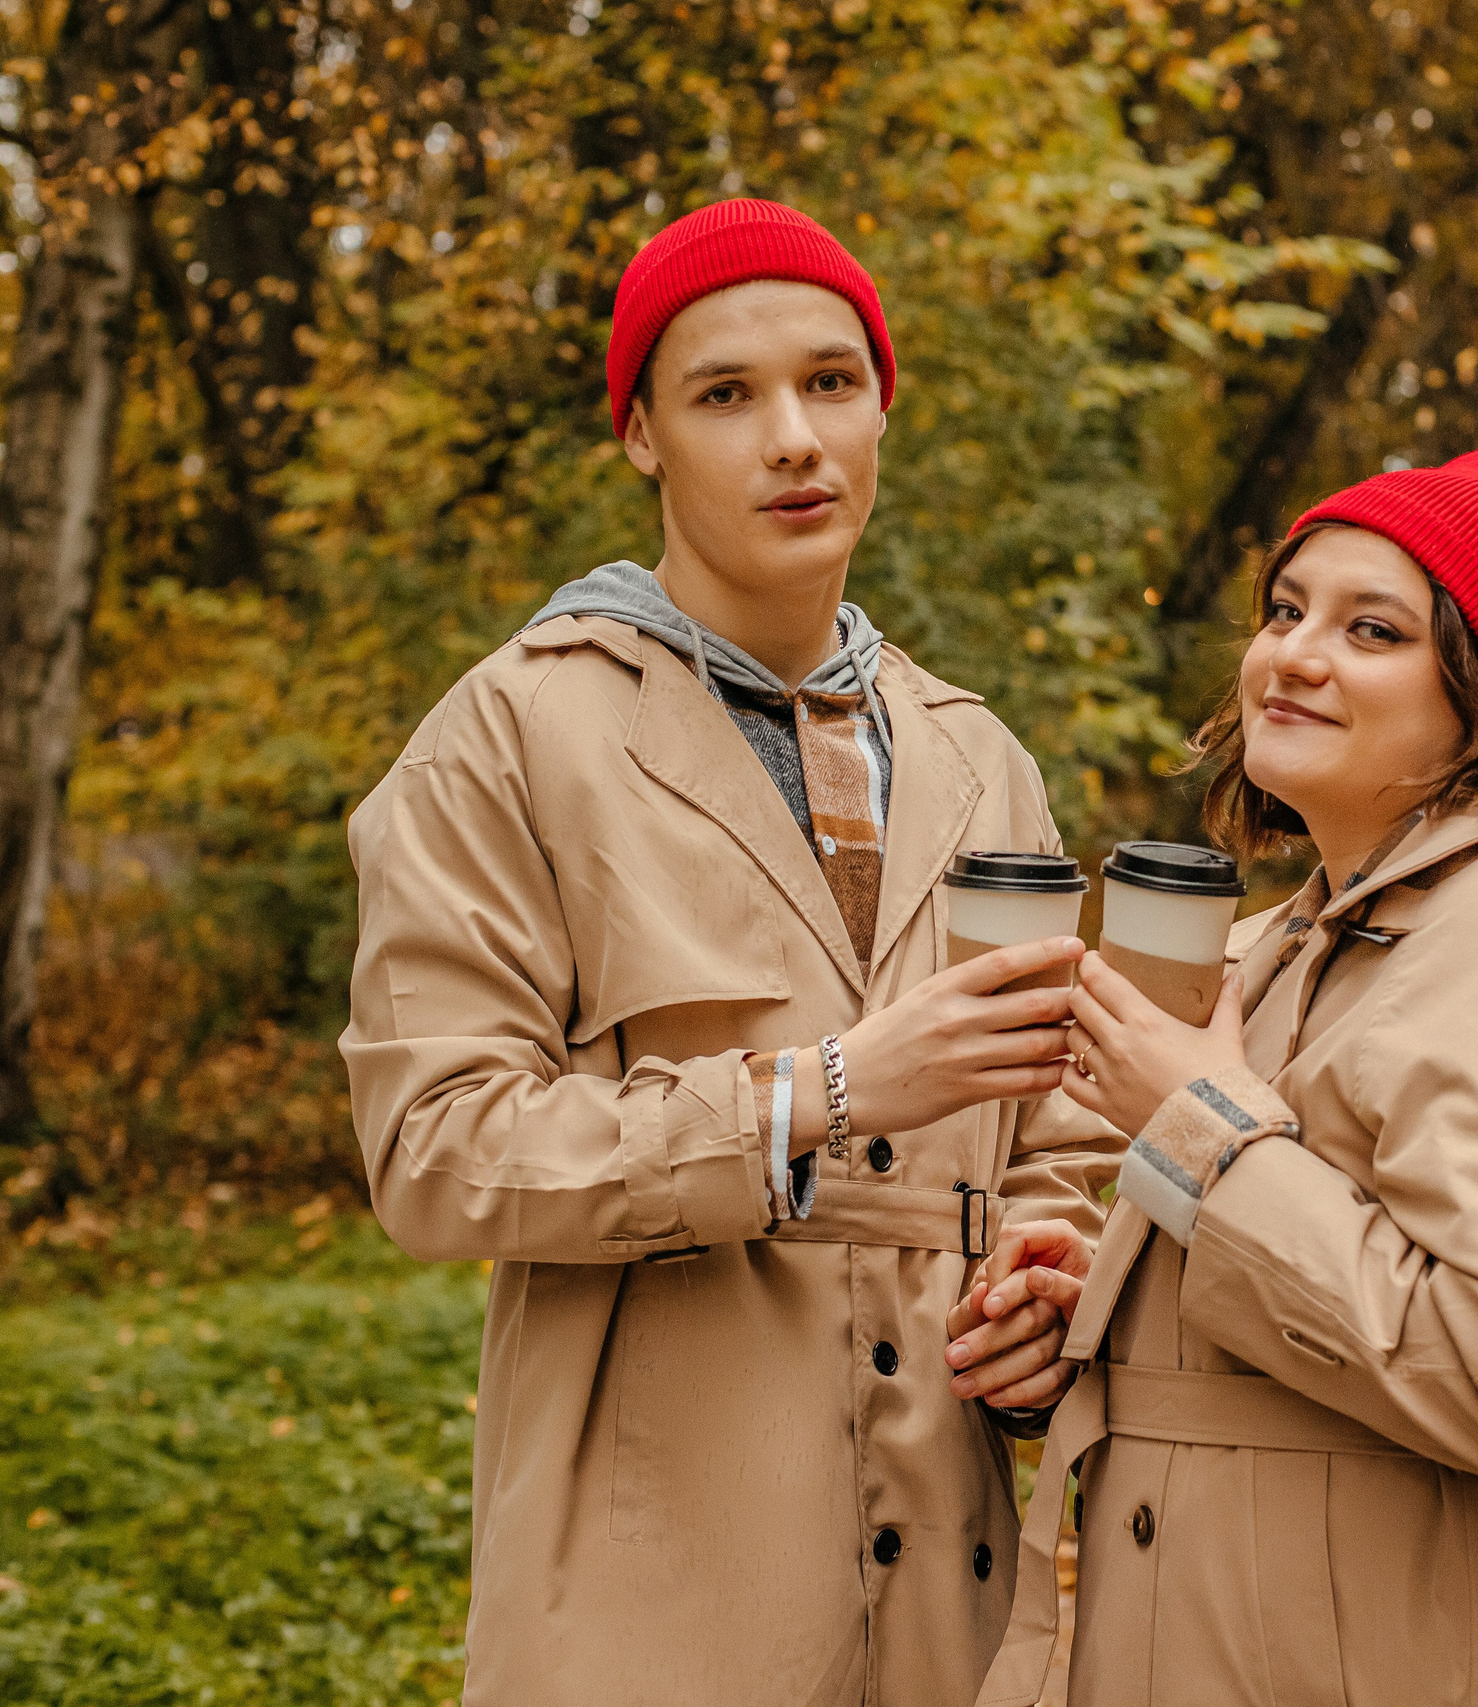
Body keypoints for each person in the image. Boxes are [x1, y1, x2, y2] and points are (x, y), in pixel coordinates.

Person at [339, 198, 1120, 1707]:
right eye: (725, 395)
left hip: (959, 1616)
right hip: (653, 1618)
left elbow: (1050, 1128)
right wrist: (818, 1088)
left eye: (833, 383)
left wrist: (1046, 1267)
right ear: (640, 434)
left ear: (884, 407)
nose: (793, 438)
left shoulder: (977, 757)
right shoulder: (507, 740)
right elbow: (435, 1152)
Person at [973, 440, 1478, 1706]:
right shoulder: (1288, 944)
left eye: (1372, 629)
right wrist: (1102, 1315)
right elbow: (1313, 1288)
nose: (1294, 654)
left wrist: (1197, 1134)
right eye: (1284, 610)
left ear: (1474, 692)